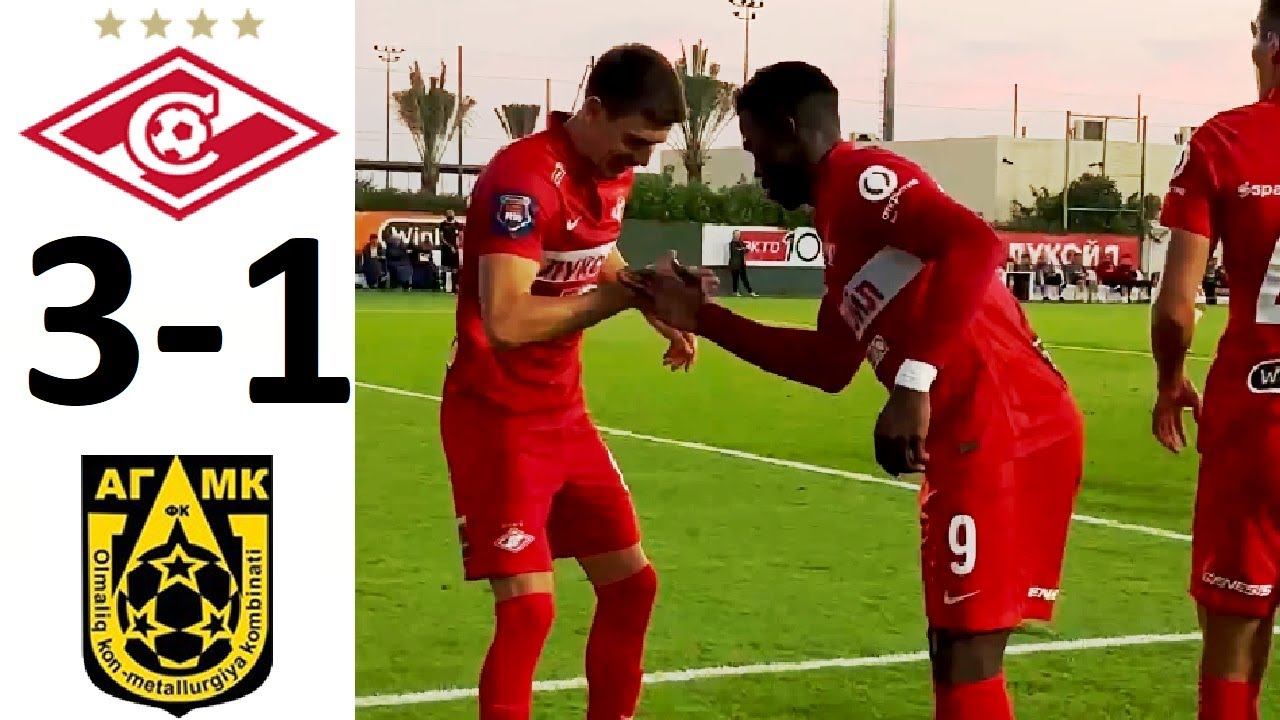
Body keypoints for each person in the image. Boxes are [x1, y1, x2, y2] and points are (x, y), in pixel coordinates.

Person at [625, 62, 1084, 720]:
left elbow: (975, 242)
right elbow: (828, 364)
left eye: (756, 148)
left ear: (791, 130)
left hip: (1002, 423)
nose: (756, 169)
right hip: (975, 430)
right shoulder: (839, 228)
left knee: (966, 650)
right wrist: (703, 317)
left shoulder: (861, 177)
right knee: (953, 646)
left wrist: (913, 383)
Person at [440, 44, 695, 720]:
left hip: (564, 415)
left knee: (632, 586)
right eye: (635, 142)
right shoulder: (522, 180)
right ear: (595, 110)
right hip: (496, 418)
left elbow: (596, 248)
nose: (642, 160)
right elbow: (506, 319)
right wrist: (618, 299)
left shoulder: (612, 171)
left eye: (653, 147)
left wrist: (651, 302)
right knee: (528, 610)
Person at [1150, 3, 1280, 717]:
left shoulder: (1226, 139)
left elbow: (1177, 307)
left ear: (1270, 44)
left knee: (1232, 645)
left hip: (1256, 416)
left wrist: (1170, 382)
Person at [727, 230, 758, 296]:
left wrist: (743, 249)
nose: (738, 235)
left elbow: (746, 250)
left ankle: (750, 291)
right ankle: (735, 292)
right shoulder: (732, 243)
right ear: (733, 235)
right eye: (736, 234)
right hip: (734, 264)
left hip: (741, 264)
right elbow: (736, 251)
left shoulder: (741, 243)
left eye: (739, 234)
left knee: (744, 278)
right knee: (735, 279)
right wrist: (742, 249)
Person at [440, 209, 462, 293]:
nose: (450, 216)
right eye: (449, 215)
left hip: (455, 251)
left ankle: (454, 287)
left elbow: (459, 237)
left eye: (451, 215)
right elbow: (442, 238)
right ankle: (444, 287)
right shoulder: (442, 224)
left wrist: (457, 247)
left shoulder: (457, 224)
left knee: (455, 269)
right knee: (445, 268)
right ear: (446, 216)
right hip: (446, 250)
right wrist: (450, 246)